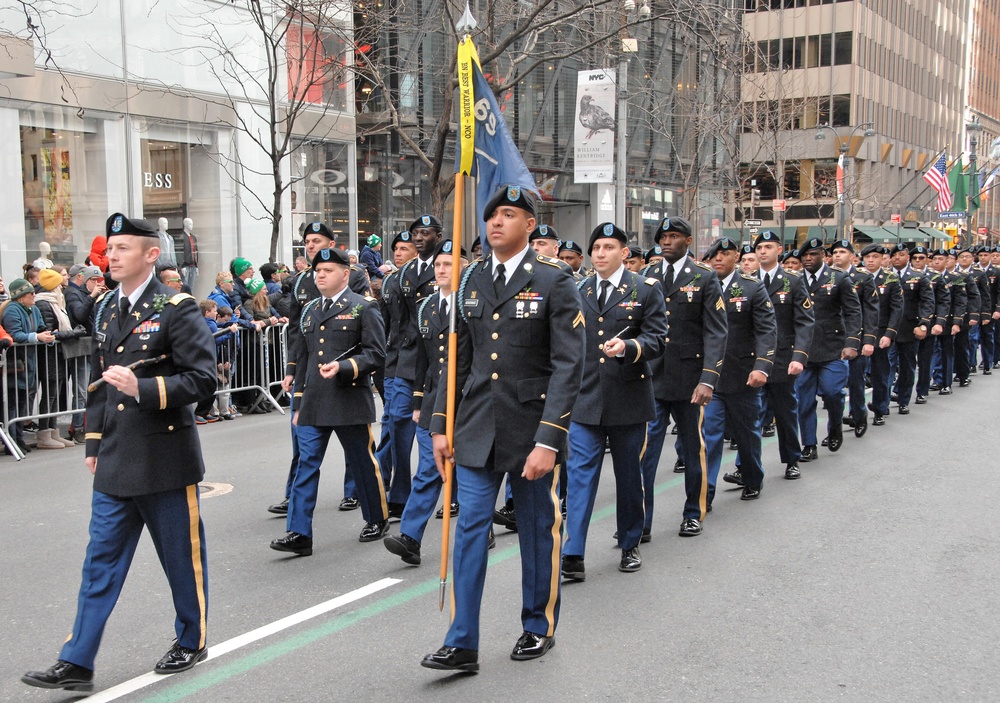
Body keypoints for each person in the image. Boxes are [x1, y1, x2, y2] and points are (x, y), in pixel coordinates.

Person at [22, 212, 216, 692]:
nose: (111, 256)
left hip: (165, 456)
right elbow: (99, 378)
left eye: (123, 248)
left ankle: (191, 640)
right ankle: (78, 658)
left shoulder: (178, 307)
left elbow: (204, 380)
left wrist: (145, 388)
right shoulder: (107, 307)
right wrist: (93, 438)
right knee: (100, 561)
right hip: (116, 456)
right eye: (110, 249)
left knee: (180, 558)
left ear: (152, 254)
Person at [421, 184, 584, 672]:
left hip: (531, 427)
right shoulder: (470, 280)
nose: (496, 223)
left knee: (536, 528)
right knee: (470, 528)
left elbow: (567, 365)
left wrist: (550, 439)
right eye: (492, 216)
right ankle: (462, 639)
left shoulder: (554, 281)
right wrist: (440, 425)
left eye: (508, 215)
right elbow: (457, 362)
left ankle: (538, 625)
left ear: (530, 225)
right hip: (475, 424)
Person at [561, 223, 666, 580]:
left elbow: (657, 338)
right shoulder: (578, 289)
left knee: (628, 475)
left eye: (609, 247)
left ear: (625, 253)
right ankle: (573, 551)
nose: (601, 254)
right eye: (597, 248)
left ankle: (630, 542)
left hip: (629, 397)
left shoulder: (645, 289)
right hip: (586, 398)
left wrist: (629, 347)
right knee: (579, 476)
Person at [269, 246, 389, 554]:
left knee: (362, 462)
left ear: (345, 274)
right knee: (306, 464)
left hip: (349, 398)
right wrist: (294, 382)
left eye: (328, 271)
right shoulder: (310, 310)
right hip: (315, 400)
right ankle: (299, 533)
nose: (320, 275)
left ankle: (377, 517)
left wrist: (345, 367)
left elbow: (376, 354)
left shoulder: (363, 307)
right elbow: (304, 351)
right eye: (317, 271)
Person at [383, 239, 472, 566]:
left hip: (467, 396)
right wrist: (418, 401)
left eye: (448, 264)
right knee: (430, 467)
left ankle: (479, 527)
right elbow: (421, 359)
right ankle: (411, 537)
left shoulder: (471, 304)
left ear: (464, 266)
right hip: (434, 398)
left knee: (466, 465)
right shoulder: (427, 307)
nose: (442, 270)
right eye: (437, 265)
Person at [639, 216, 727, 538]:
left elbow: (716, 332)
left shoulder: (704, 277)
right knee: (646, 452)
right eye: (663, 236)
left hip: (691, 380)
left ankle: (694, 512)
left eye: (674, 236)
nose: (666, 242)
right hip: (653, 378)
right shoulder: (648, 275)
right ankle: (641, 522)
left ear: (688, 242)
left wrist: (708, 379)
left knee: (693, 450)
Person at [701, 238, 776, 505]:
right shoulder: (700, 286)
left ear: (737, 257)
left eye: (725, 254)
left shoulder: (752, 288)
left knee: (747, 433)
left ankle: (752, 477)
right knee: (709, 435)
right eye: (715, 255)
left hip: (743, 375)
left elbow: (766, 331)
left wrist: (762, 367)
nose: (719, 259)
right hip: (710, 378)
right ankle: (705, 492)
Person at [742, 231, 812, 480]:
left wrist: (799, 356)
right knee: (750, 415)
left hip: (783, 359)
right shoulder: (746, 280)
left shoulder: (792, 280)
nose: (762, 251)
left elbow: (804, 322)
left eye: (768, 247)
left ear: (779, 250)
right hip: (753, 358)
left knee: (785, 412)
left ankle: (792, 458)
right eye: (759, 247)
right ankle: (745, 466)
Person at [795, 238, 862, 461]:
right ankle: (809, 444)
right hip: (803, 350)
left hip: (833, 347)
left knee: (833, 392)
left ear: (823, 255)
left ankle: (835, 425)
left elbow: (853, 311)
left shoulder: (839, 278)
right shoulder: (794, 280)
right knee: (804, 400)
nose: (808, 259)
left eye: (812, 254)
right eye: (804, 255)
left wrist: (852, 342)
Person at [829, 240, 878, 437]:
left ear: (852, 256)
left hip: (854, 336)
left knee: (856, 381)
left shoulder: (863, 277)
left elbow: (871, 310)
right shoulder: (827, 276)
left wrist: (868, 340)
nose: (838, 255)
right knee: (833, 387)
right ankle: (834, 428)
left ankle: (859, 414)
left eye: (842, 252)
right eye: (835, 252)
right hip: (833, 338)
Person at [1, 279, 56, 453]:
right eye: (30, 293)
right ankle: (12, 439)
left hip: (29, 362)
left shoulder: (34, 309)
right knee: (13, 403)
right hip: (16, 363)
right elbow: (15, 335)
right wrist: (36, 337)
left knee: (23, 402)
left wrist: (47, 334)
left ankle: (19, 439)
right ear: (20, 296)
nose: (34, 296)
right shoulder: (12, 310)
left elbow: (41, 327)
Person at [859, 244, 904, 426]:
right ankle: (857, 410)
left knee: (880, 372)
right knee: (856, 374)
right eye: (867, 257)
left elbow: (896, 308)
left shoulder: (890, 279)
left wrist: (890, 334)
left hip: (881, 332)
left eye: (875, 257)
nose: (870, 261)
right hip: (859, 331)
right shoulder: (856, 278)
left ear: (882, 259)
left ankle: (879, 407)